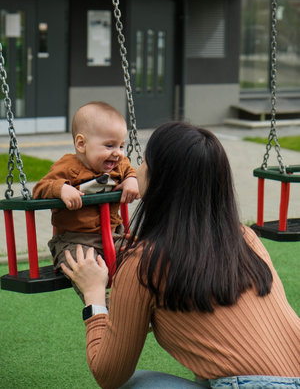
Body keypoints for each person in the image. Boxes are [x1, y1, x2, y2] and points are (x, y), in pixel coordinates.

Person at [61, 121, 300, 388]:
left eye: (144, 161)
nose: (137, 167)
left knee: (137, 383)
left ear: (158, 179)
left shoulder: (143, 265)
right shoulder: (244, 237)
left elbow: (109, 375)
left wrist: (94, 296)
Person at [33, 101, 139, 300]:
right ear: (81, 144)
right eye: (109, 145)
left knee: (142, 255)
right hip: (74, 242)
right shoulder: (66, 166)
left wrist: (131, 181)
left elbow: (130, 171)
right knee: (85, 268)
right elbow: (40, 188)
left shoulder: (120, 164)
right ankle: (102, 305)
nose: (117, 153)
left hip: (113, 237)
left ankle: (137, 304)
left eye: (121, 146)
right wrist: (61, 188)